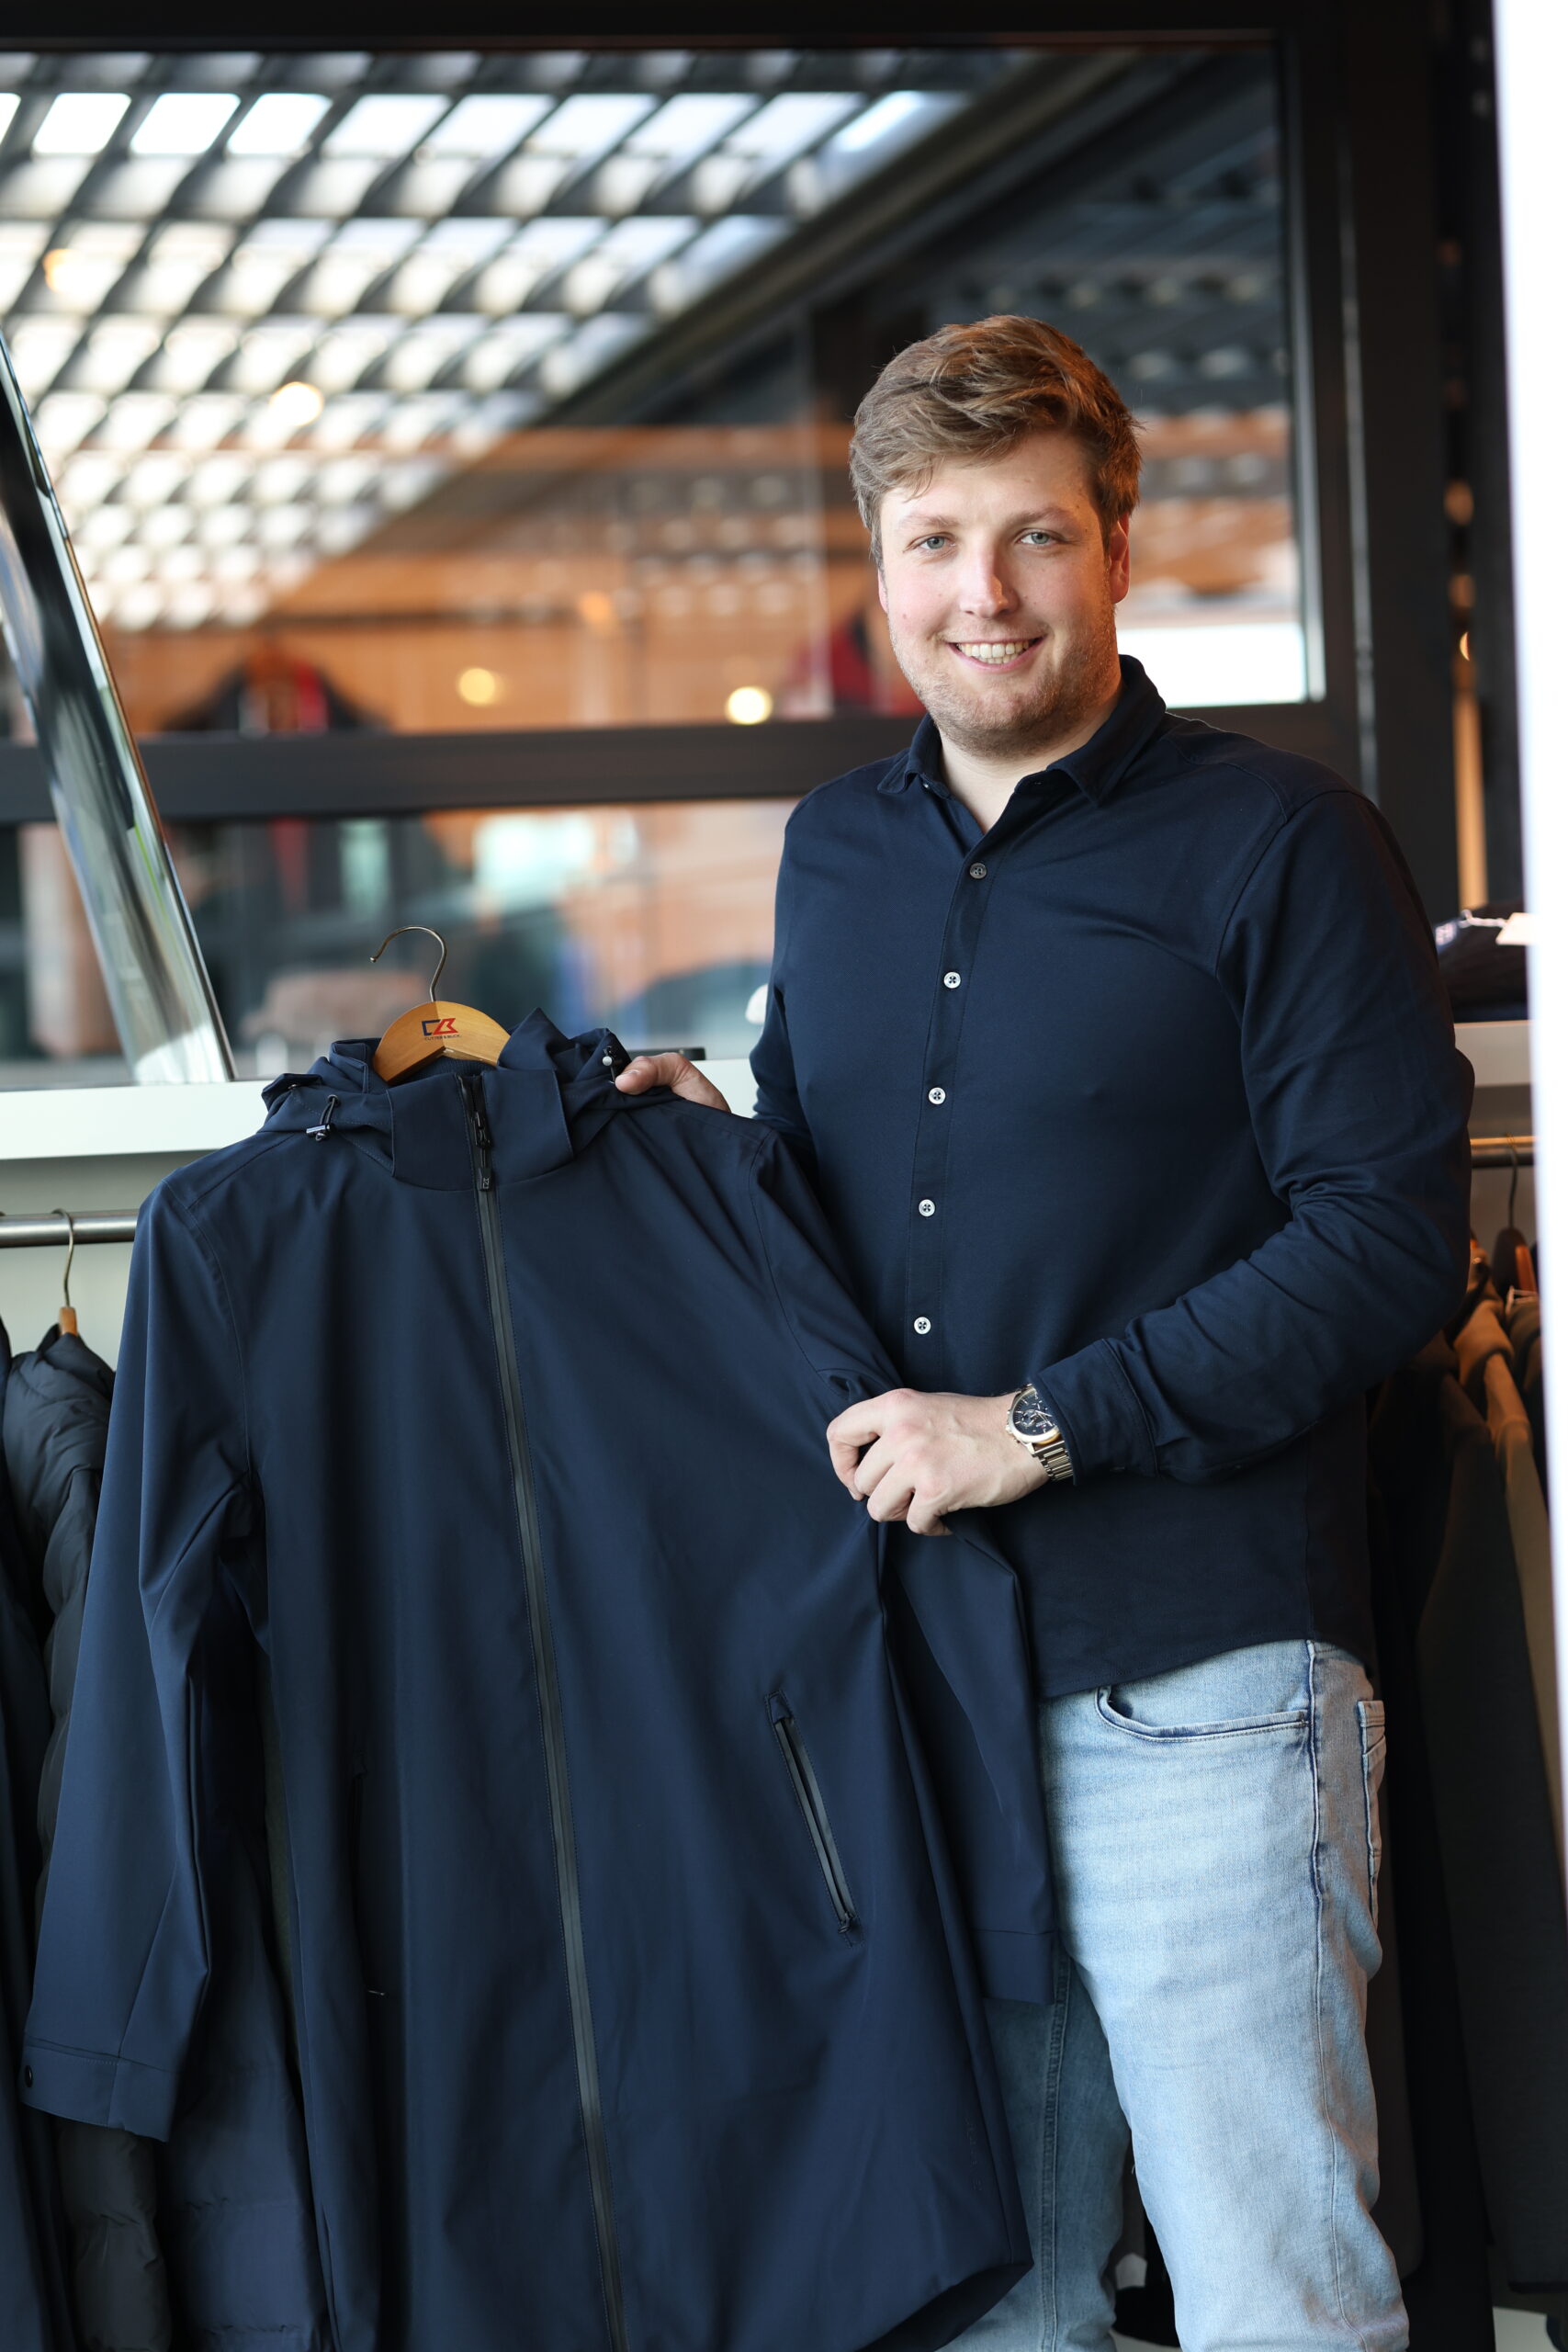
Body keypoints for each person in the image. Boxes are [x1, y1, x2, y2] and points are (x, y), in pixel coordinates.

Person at [615, 315, 1472, 2352]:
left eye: (1033, 536)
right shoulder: (832, 851)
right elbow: (841, 1193)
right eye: (933, 541)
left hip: (1203, 1688)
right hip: (923, 1692)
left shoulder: (1284, 842)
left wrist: (1035, 1424)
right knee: (996, 2309)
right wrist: (699, 1152)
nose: (980, 593)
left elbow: (1384, 1244)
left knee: (1275, 2300)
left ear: (1117, 549)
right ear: (877, 566)